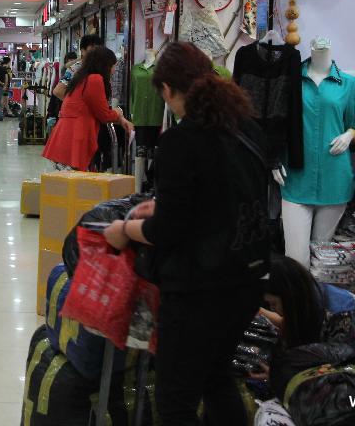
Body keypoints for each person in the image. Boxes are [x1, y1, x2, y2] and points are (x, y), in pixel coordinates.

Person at [103, 41, 270, 426]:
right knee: (216, 378)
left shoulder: (181, 141)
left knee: (176, 400)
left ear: (168, 90)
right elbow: (220, 201)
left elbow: (170, 230)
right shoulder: (245, 128)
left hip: (200, 291)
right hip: (247, 279)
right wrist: (161, 206)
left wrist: (124, 229)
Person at [42, 47, 133, 171]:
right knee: (76, 184)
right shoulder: (95, 79)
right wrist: (119, 112)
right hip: (77, 137)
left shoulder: (82, 77)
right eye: (112, 65)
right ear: (104, 65)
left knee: (68, 182)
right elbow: (104, 115)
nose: (114, 70)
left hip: (66, 135)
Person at [52, 34, 102, 100]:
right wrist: (77, 104)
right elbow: (58, 91)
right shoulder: (76, 68)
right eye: (92, 51)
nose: (95, 54)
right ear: (82, 51)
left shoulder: (103, 66)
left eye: (98, 51)